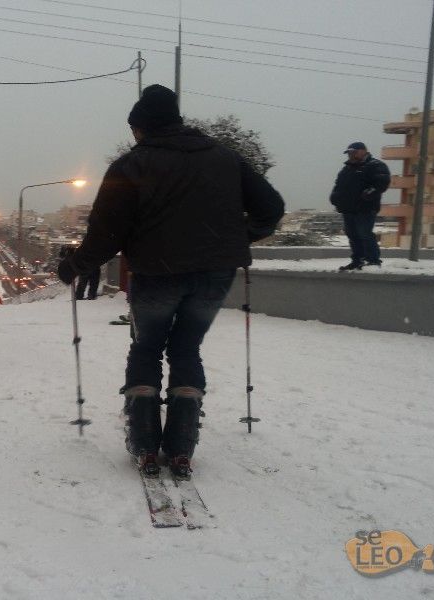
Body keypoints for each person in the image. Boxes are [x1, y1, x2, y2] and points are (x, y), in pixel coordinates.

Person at [57, 84, 284, 478]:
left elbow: (106, 231)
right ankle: (181, 446)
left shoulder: (132, 165)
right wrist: (235, 238)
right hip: (214, 273)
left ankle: (145, 442)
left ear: (140, 127)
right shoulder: (226, 158)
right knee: (186, 348)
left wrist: (75, 265)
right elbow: (271, 208)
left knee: (146, 348)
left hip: (156, 272)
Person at [330, 141, 391, 270]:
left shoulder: (375, 165)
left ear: (364, 151)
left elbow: (382, 183)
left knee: (364, 233)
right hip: (348, 209)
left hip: (366, 208)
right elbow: (339, 186)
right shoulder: (346, 169)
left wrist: (370, 193)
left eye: (354, 152)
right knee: (352, 234)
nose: (351, 155)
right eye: (349, 153)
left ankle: (373, 260)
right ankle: (358, 260)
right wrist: (335, 197)